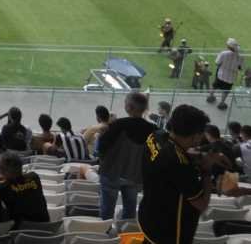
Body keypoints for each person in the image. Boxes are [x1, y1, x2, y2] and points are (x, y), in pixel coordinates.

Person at [139, 105, 236, 244]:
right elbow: (201, 204)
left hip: (149, 217)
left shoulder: (155, 136)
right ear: (196, 135)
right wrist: (206, 171)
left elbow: (176, 151)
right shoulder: (180, 165)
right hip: (170, 232)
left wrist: (203, 155)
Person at [96, 90, 156, 220]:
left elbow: (101, 148)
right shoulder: (153, 129)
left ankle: (105, 236)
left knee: (107, 211)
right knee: (130, 211)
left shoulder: (118, 124)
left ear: (129, 107)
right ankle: (127, 235)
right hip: (135, 177)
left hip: (111, 172)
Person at [0, 152, 50, 225]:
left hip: (20, 231)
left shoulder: (1, 188)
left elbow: (8, 183)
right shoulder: (34, 177)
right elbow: (14, 180)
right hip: (46, 228)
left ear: (3, 170)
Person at [210, 39, 243, 110]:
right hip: (231, 78)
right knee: (226, 90)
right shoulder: (240, 56)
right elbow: (240, 67)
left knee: (214, 85)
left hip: (221, 75)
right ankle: (222, 103)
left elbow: (217, 63)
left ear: (228, 46)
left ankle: (210, 97)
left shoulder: (223, 53)